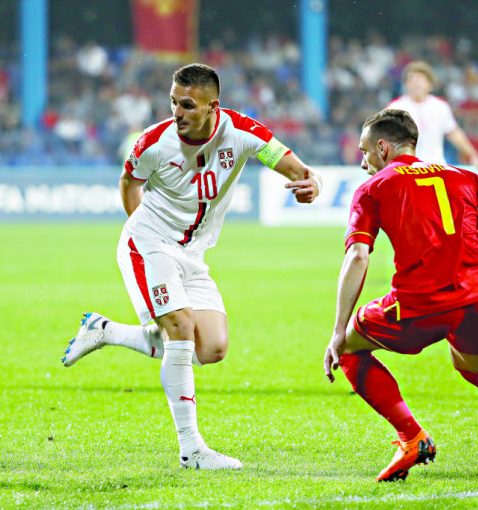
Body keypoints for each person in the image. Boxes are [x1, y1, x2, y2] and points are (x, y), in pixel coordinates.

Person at [61, 63, 321, 470]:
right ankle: (192, 450)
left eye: (187, 105)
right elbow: (129, 183)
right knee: (180, 327)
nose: (177, 112)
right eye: (173, 102)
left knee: (211, 348)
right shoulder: (153, 142)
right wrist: (145, 237)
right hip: (149, 244)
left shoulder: (242, 132)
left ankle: (105, 330)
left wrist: (311, 183)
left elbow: (293, 165)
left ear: (212, 106)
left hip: (193, 254)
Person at [319, 108, 478, 480]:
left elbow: (357, 256)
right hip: (477, 299)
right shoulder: (467, 177)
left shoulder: (373, 187)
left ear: (383, 148)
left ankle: (411, 437)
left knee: (349, 348)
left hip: (420, 305)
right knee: (476, 368)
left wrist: (337, 330)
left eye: (365, 152)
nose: (363, 162)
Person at [387, 61, 478, 171]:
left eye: (421, 80)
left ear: (430, 85)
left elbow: (454, 133)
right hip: (405, 169)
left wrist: (473, 155)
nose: (417, 84)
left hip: (435, 167)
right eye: (413, 80)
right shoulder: (396, 108)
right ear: (406, 85)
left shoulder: (440, 106)